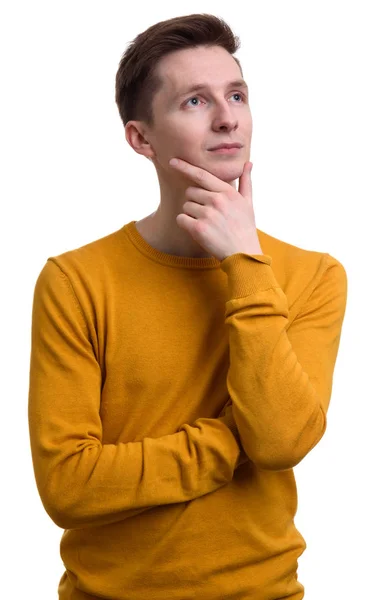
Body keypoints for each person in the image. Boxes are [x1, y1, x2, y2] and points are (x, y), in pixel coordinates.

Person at [28, 13, 348, 600]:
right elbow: (68, 486)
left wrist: (245, 263)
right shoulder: (75, 282)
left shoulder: (313, 276)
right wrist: (233, 440)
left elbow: (279, 442)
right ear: (141, 138)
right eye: (195, 100)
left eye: (237, 95)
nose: (228, 117)